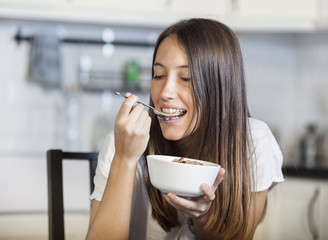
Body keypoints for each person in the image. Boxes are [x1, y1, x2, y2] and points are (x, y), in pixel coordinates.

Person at [86, 18, 284, 240]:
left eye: (186, 78)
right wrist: (124, 158)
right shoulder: (122, 143)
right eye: (158, 75)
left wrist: (203, 217)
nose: (165, 92)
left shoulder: (252, 142)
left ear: (220, 86)